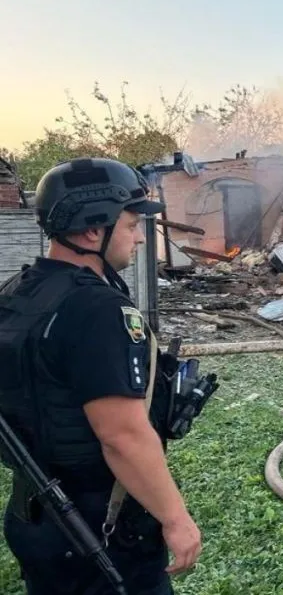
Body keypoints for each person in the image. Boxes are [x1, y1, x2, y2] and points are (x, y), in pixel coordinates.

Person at [0, 157, 202, 593]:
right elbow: (122, 436)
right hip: (98, 532)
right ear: (93, 230)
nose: (139, 239)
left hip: (34, 515)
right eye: (131, 226)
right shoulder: (97, 310)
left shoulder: (19, 290)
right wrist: (175, 517)